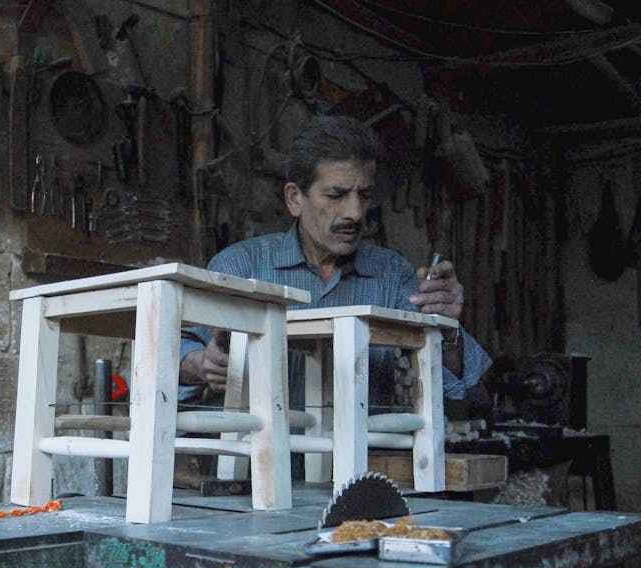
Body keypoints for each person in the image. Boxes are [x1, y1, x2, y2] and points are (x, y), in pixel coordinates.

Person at [178, 114, 492, 415]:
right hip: (253, 466)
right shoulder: (238, 268)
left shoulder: (393, 277)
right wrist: (199, 364)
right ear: (294, 199)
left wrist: (448, 331)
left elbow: (468, 398)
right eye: (336, 195)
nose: (354, 212)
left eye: (364, 194)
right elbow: (168, 356)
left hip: (364, 470)